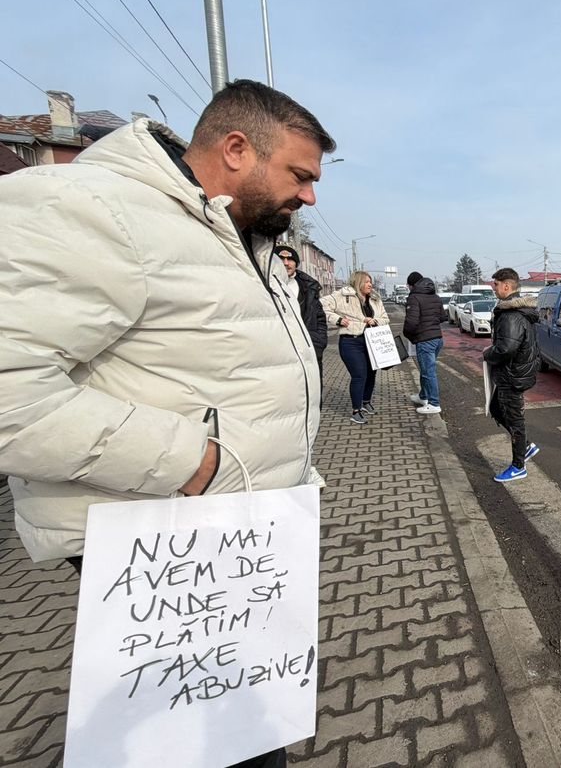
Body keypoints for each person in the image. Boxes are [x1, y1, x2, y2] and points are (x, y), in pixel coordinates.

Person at [0, 78, 334, 768]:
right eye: (301, 175)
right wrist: (193, 459)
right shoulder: (95, 209)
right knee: (191, 742)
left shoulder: (238, 233)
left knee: (242, 732)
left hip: (233, 542)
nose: (310, 197)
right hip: (166, 546)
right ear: (236, 149)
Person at [483, 268, 541, 482]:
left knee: (515, 420)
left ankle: (518, 466)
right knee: (497, 408)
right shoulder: (518, 310)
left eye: (495, 284)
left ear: (507, 286)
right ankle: (526, 446)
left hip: (512, 375)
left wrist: (488, 353)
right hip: (517, 372)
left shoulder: (510, 314)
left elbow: (506, 348)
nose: (493, 287)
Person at [322, 271, 389, 424]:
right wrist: (337, 319)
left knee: (372, 373)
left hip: (372, 341)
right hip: (351, 341)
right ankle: (356, 410)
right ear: (358, 282)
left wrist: (375, 321)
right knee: (359, 375)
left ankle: (366, 402)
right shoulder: (343, 295)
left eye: (371, 282)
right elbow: (321, 306)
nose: (370, 285)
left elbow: (385, 318)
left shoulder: (375, 298)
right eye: (366, 282)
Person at [274, 244, 328, 384]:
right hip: (279, 352)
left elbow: (319, 317)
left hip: (309, 349)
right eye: (281, 259)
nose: (286, 263)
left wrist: (318, 341)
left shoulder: (308, 286)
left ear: (296, 263)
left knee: (313, 391)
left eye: (290, 259)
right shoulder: (265, 284)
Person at [403, 271, 446, 415]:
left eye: (409, 286)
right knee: (426, 370)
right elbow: (442, 317)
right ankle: (423, 396)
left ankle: (434, 403)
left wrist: (409, 336)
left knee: (428, 372)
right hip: (437, 338)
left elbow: (411, 323)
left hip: (424, 340)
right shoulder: (435, 296)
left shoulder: (414, 298)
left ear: (412, 285)